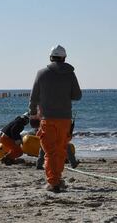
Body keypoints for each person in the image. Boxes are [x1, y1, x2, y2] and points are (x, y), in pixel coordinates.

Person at [29, 45, 82, 193]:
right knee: (59, 151)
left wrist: (33, 114)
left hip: (47, 119)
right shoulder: (70, 74)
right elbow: (77, 96)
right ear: (64, 58)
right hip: (65, 119)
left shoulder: (41, 73)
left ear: (51, 57)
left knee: (50, 152)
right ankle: (56, 179)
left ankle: (53, 182)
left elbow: (33, 98)